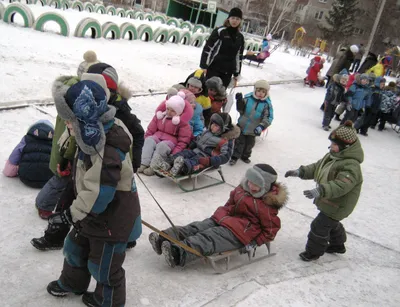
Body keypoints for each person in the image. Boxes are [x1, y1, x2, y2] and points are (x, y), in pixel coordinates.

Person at [46, 80, 142, 307]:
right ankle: (73, 283)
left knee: (104, 265)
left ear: (84, 118)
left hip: (111, 216)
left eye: (69, 119)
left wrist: (71, 215)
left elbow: (99, 191)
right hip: (91, 212)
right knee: (75, 248)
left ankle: (107, 299)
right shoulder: (91, 133)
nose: (67, 123)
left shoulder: (105, 147)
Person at [31, 63, 144, 251]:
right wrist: (66, 159)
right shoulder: (80, 104)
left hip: (114, 165)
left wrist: (134, 163)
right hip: (83, 163)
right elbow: (72, 137)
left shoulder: (119, 109)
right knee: (71, 199)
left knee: (119, 202)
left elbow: (137, 134)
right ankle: (55, 236)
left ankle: (126, 236)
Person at [148, 164, 287, 267]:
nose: (250, 185)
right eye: (249, 181)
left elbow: (270, 230)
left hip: (239, 233)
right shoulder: (242, 189)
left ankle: (176, 253)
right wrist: (223, 212)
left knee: (208, 238)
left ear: (265, 186)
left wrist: (253, 243)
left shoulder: (267, 206)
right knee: (197, 227)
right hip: (224, 218)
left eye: (255, 184)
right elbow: (230, 202)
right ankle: (163, 238)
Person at [285, 121, 364, 261]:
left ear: (345, 147)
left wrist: (320, 190)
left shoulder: (351, 165)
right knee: (331, 223)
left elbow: (341, 185)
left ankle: (313, 252)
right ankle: (338, 244)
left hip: (339, 204)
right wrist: (300, 172)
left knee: (319, 225)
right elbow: (317, 167)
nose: (331, 146)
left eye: (334, 144)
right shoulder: (333, 155)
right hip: (331, 201)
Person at [151, 113, 240, 177]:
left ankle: (182, 168)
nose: (213, 126)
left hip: (206, 159)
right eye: (212, 123)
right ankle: (167, 163)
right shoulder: (207, 132)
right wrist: (190, 145)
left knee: (194, 161)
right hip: (196, 151)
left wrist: (209, 160)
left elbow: (225, 157)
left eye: (216, 126)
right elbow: (197, 139)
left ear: (224, 128)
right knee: (184, 153)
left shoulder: (226, 140)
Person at [138, 92, 193, 176]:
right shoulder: (160, 116)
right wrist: (146, 140)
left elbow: (183, 141)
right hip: (157, 136)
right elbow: (150, 129)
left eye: (173, 111)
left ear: (179, 112)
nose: (169, 112)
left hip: (171, 142)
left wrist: (175, 153)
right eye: (168, 109)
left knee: (162, 146)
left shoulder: (182, 123)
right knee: (149, 140)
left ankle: (154, 167)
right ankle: (144, 163)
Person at [230, 80, 273, 165]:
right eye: (259, 91)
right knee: (239, 143)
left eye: (263, 92)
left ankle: (245, 156)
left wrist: (261, 126)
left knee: (249, 145)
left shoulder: (267, 104)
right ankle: (235, 156)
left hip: (254, 129)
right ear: (255, 90)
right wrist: (239, 101)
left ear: (266, 93)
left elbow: (268, 117)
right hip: (241, 126)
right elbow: (241, 110)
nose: (260, 93)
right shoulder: (247, 99)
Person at [200, 7, 245, 88]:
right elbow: (208, 48)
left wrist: (236, 74)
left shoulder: (240, 37)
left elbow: (239, 57)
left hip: (228, 72)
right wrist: (204, 66)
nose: (235, 21)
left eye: (237, 19)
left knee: (220, 95)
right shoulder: (220, 31)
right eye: (233, 18)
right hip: (214, 68)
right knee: (208, 91)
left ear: (240, 21)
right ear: (228, 19)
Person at [3, 120, 54, 188]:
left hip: (26, 177)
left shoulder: (26, 140)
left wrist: (10, 170)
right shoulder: (54, 142)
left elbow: (15, 155)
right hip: (48, 178)